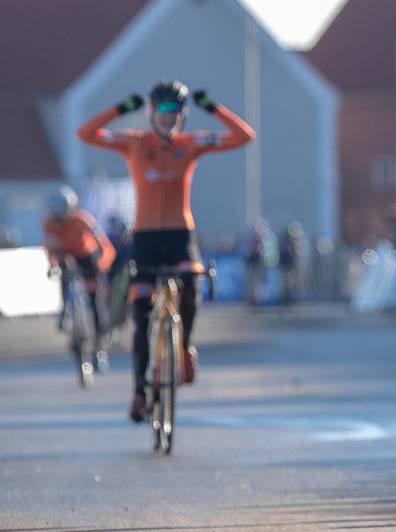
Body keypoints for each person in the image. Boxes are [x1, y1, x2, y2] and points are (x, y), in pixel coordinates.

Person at [77, 81, 255, 422]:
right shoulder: (134, 143)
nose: (169, 117)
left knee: (191, 283)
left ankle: (184, 347)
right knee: (142, 316)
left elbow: (244, 136)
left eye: (175, 112)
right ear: (151, 113)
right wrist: (119, 108)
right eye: (162, 110)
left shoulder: (190, 145)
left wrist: (213, 107)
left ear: (183, 115)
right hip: (144, 238)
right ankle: (139, 392)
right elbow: (85, 134)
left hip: (179, 235)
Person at [42, 186, 115, 360]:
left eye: (63, 217)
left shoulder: (83, 219)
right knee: (64, 270)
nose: (61, 222)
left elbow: (105, 246)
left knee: (93, 297)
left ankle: (99, 340)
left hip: (86, 257)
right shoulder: (48, 223)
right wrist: (52, 265)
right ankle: (66, 309)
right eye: (57, 218)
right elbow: (49, 248)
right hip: (65, 255)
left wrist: (102, 264)